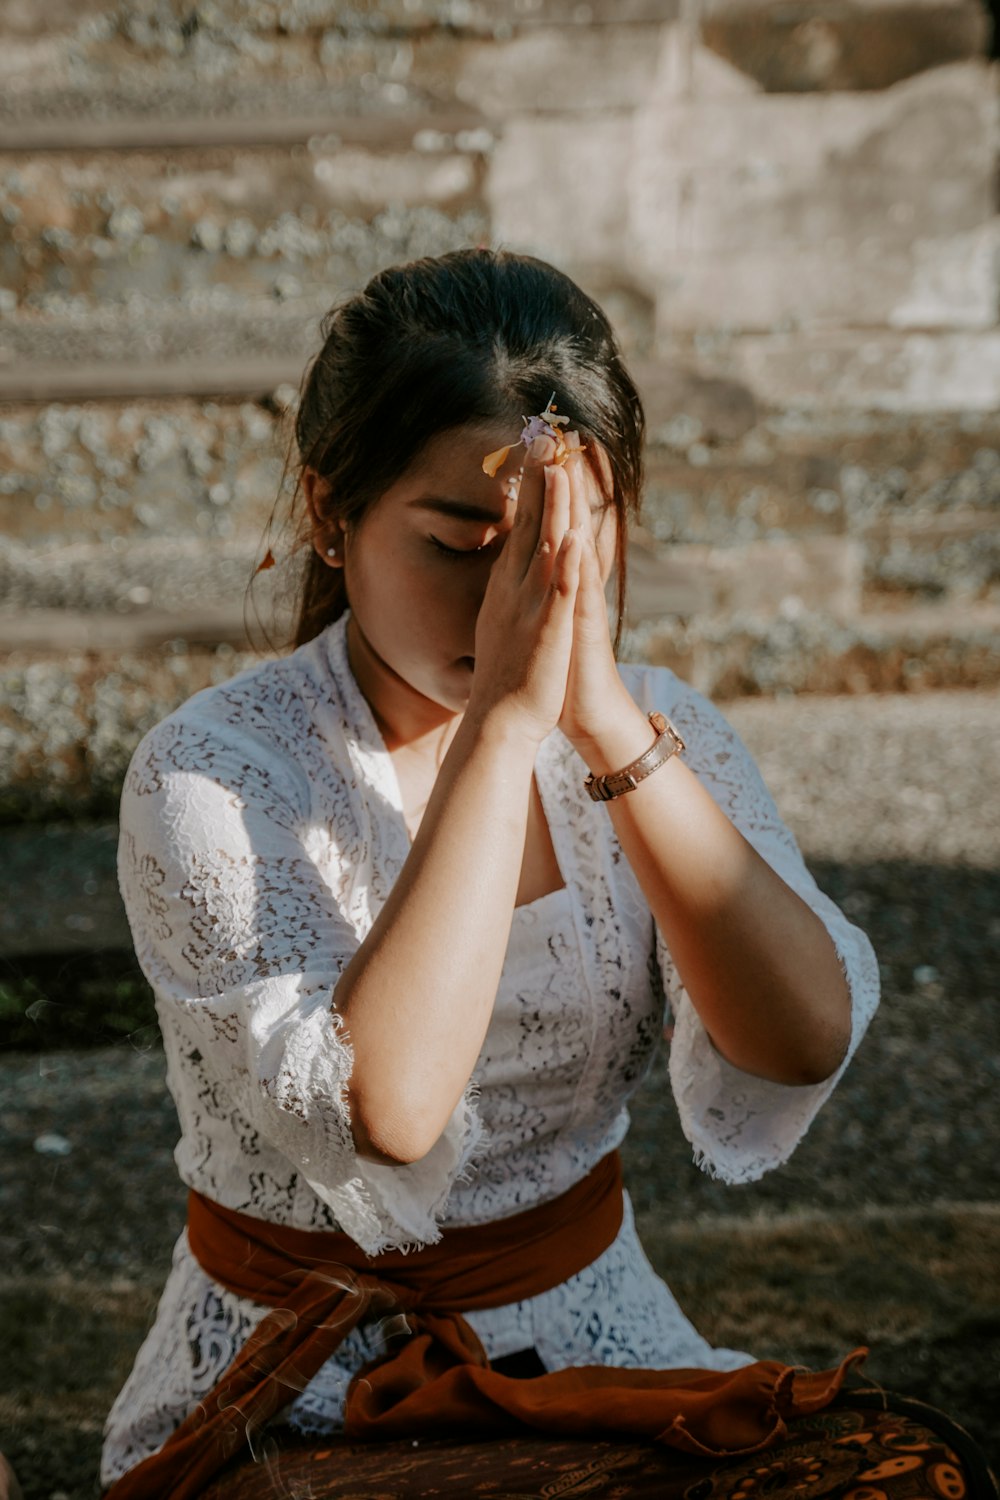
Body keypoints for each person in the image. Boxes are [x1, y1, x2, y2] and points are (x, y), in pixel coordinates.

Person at [99, 250, 993, 1499]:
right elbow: (391, 1111)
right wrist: (504, 729)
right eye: (464, 540)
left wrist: (611, 730)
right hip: (294, 1396)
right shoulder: (210, 775)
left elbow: (798, 1037)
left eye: (565, 540)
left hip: (589, 1345)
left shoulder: (659, 733)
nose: (519, 592)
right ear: (327, 510)